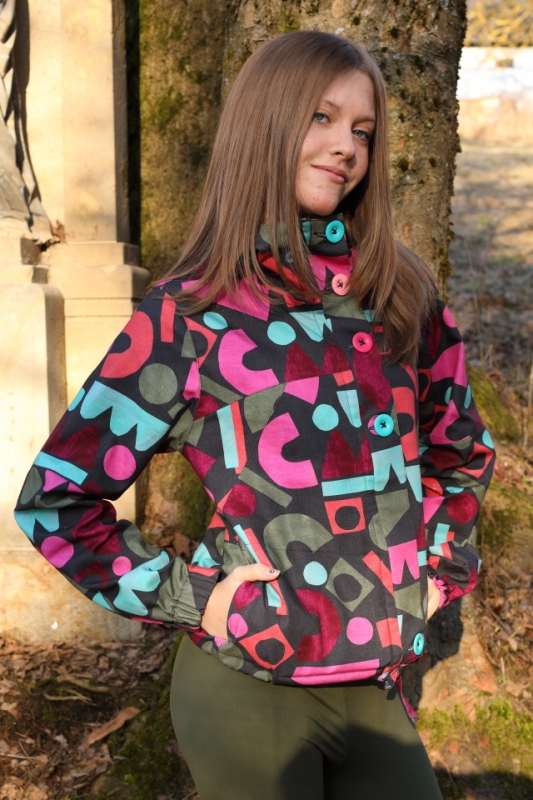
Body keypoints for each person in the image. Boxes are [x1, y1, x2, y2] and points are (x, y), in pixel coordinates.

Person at [15, 31, 495, 800]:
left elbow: (461, 453)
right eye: (321, 118)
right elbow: (57, 500)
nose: (345, 147)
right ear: (264, 122)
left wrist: (438, 569)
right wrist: (194, 597)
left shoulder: (402, 295)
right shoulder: (192, 314)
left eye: (362, 131)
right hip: (245, 691)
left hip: (377, 688)